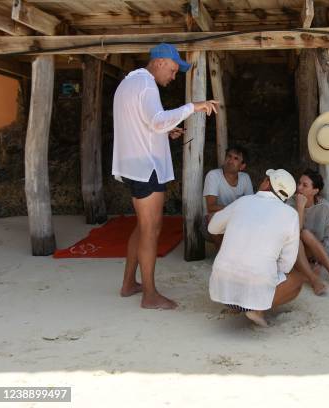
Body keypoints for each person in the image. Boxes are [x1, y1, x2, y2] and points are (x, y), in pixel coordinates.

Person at [113, 43, 218, 310]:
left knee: (142, 226)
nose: (173, 77)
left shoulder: (129, 83)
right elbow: (157, 119)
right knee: (151, 229)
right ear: (160, 62)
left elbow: (144, 123)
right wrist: (193, 106)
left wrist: (165, 132)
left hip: (132, 165)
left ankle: (128, 284)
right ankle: (150, 295)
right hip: (146, 168)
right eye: (172, 70)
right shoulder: (147, 85)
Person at [208, 169, 305, 328]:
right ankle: (257, 310)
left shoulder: (243, 201)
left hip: (222, 282)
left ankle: (236, 306)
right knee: (297, 280)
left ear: (267, 183)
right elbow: (287, 264)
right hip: (255, 283)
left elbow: (212, 228)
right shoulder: (290, 214)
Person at [288, 169, 329, 295]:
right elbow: (292, 235)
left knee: (306, 234)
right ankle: (313, 279)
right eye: (299, 183)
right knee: (300, 236)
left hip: (315, 251)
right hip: (294, 253)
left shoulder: (324, 206)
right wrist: (300, 208)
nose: (299, 187)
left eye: (305, 185)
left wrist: (319, 262)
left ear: (315, 191)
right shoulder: (290, 203)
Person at [202, 146, 253, 246]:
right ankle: (221, 254)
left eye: (236, 158)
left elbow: (250, 205)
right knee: (213, 217)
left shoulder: (245, 178)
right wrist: (236, 209)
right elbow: (211, 207)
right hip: (210, 223)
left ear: (242, 166)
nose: (230, 161)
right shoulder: (213, 175)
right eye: (229, 156)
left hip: (236, 219)